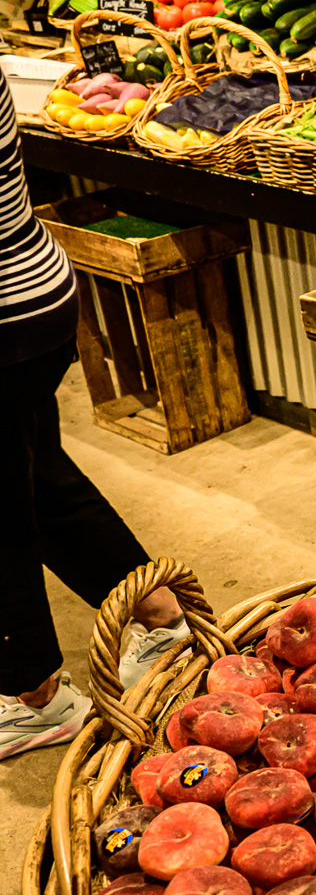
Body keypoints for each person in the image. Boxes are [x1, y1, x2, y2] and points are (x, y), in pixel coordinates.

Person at [0, 63, 189, 760]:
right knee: (34, 473)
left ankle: (34, 699)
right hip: (29, 290)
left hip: (5, 314)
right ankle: (161, 617)